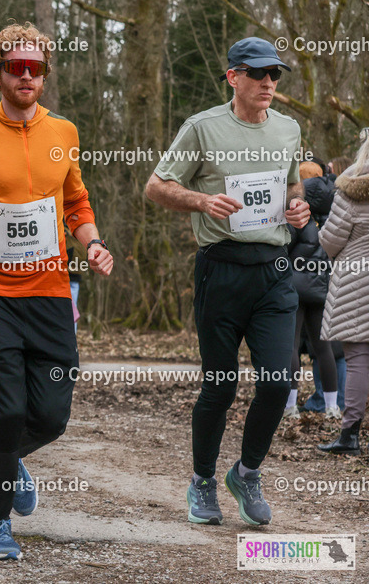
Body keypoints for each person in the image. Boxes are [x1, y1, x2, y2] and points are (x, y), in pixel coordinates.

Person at [0, 22, 114, 560]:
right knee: (7, 413)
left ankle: (5, 460)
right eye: (17, 67)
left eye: (36, 68)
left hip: (53, 294)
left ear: (46, 74)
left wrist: (94, 243)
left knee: (52, 416)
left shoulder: (64, 133)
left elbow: (76, 203)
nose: (27, 76)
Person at [145, 37, 310, 526]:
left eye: (275, 75)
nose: (268, 83)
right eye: (258, 73)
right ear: (232, 76)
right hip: (220, 268)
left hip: (276, 270)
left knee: (280, 381)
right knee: (220, 384)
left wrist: (298, 205)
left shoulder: (289, 128)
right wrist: (201, 202)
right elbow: (156, 186)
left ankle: (247, 472)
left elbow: (293, 183)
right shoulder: (202, 127)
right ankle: (201, 482)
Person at [317, 139, 369, 455]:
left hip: (356, 282)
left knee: (359, 358)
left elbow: (330, 242)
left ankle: (350, 435)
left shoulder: (351, 190)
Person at [283, 165, 338, 419]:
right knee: (323, 348)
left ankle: (291, 406)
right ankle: (332, 407)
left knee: (291, 347)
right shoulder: (333, 217)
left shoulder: (298, 218)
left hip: (294, 288)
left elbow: (284, 248)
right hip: (321, 288)